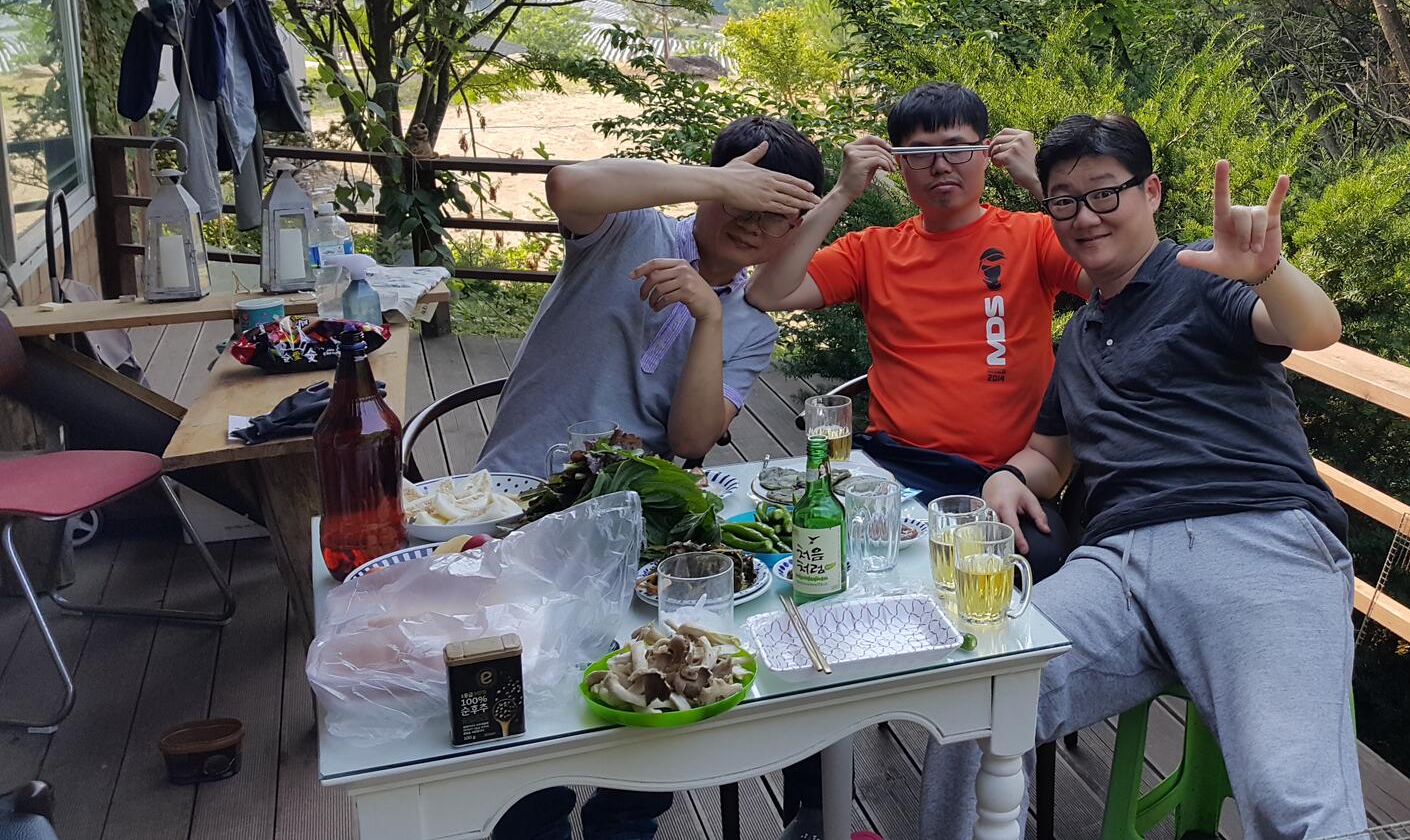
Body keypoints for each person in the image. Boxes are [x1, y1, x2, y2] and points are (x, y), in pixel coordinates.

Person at [919, 114, 1364, 840]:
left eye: (1105, 193)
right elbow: (1050, 454)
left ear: (1150, 191)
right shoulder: (1080, 335)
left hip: (1252, 539)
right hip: (1115, 567)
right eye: (1065, 201)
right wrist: (1007, 476)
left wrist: (1269, 271)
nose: (1085, 216)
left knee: (1293, 799)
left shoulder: (1201, 274)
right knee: (975, 699)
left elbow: (1312, 329)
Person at [745, 82, 1090, 840]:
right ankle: (816, 807)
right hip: (890, 469)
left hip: (1006, 476)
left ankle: (992, 764)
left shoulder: (1032, 235)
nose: (942, 166)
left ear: (987, 154)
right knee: (814, 573)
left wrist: (1042, 184)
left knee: (1035, 565)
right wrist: (840, 193)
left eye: (959, 148)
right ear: (896, 165)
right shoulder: (875, 248)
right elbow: (769, 290)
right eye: (921, 152)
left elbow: (1120, 277)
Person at [484, 116, 825, 840]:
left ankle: (626, 819)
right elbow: (566, 185)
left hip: (636, 535)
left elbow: (692, 440)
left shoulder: (753, 323)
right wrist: (722, 181)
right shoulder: (630, 230)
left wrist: (709, 316)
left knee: (670, 665)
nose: (751, 220)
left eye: (775, 212)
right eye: (742, 197)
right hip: (518, 503)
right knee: (527, 702)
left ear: (795, 227)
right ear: (709, 185)